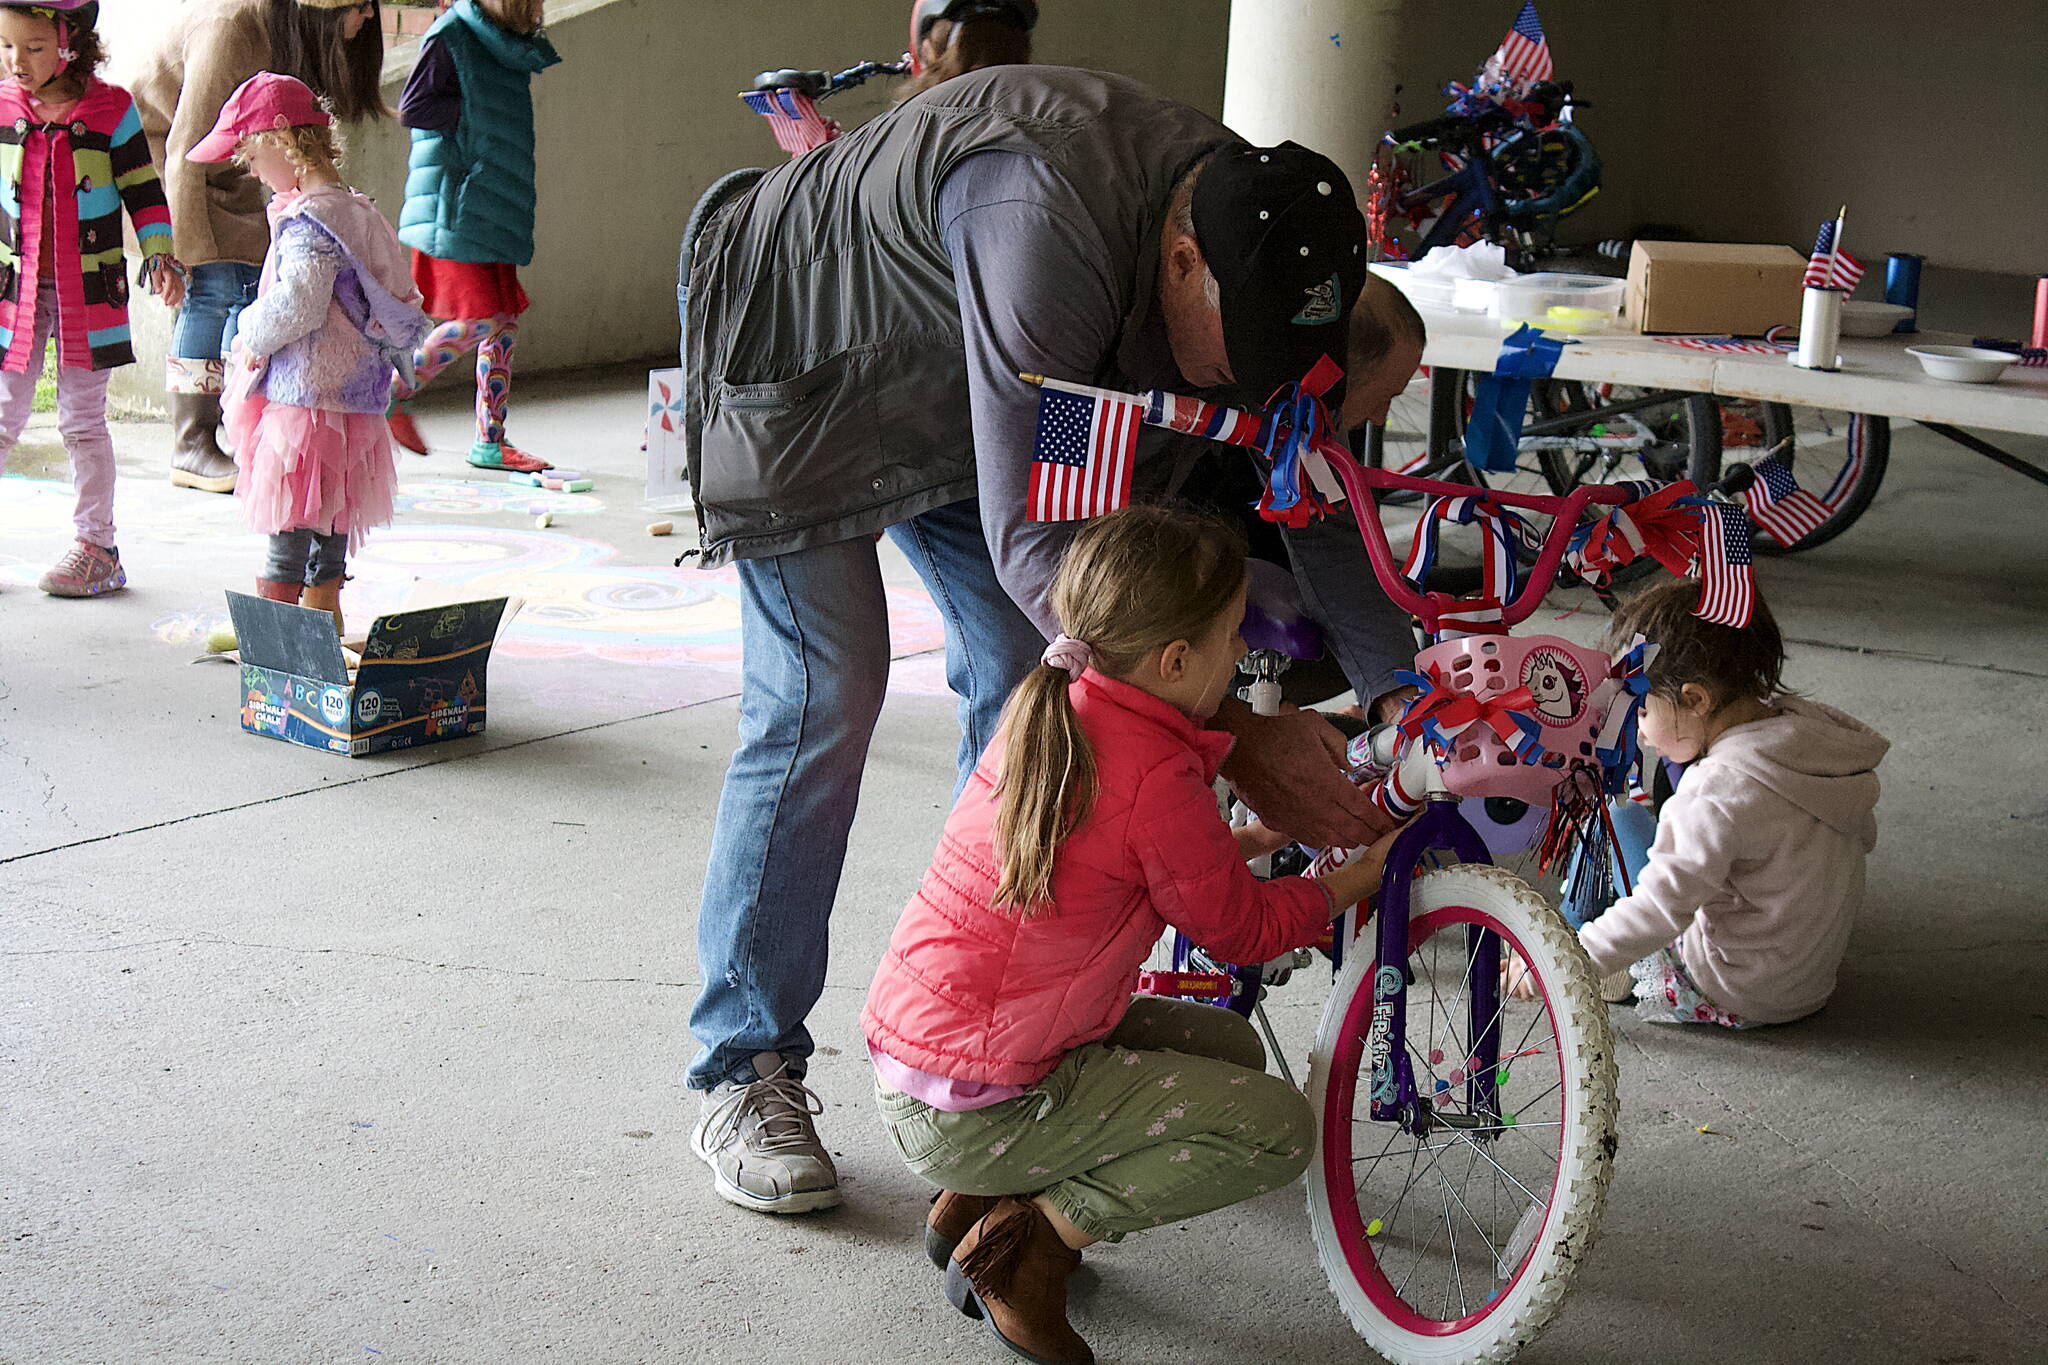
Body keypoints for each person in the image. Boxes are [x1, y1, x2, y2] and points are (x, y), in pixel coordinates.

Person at [680, 63, 1418, 1213]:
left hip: (965, 388)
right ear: (1179, 263)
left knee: (1037, 680)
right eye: (1238, 359)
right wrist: (1236, 732)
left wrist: (1397, 703)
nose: (1246, 390)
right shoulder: (1041, 214)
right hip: (804, 356)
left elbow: (1311, 494)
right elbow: (1044, 553)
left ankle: (1007, 1064)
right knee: (826, 695)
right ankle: (746, 1063)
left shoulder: (1263, 244)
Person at [859, 506, 1397, 1364]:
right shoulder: (1154, 767)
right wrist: (1351, 882)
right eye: (1231, 639)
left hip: (935, 1063)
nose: (1238, 658)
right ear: (1175, 661)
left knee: (1227, 1048)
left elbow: (1130, 858)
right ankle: (1028, 1246)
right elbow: (1243, 929)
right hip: (984, 1095)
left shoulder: (1064, 708)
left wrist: (1254, 841)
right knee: (1275, 1128)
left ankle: (978, 1192)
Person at [1518, 578, 1887, 1027]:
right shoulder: (1814, 739)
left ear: (1694, 699)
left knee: (1617, 816)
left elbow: (1660, 909)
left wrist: (1554, 964)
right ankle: (1607, 956)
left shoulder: (1715, 793)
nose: (1638, 730)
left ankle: (1567, 945)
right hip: (1806, 982)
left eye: (1641, 711)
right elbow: (1859, 838)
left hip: (1730, 987)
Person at [192, 72, 430, 630]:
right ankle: (324, 610)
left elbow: (299, 303)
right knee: (333, 508)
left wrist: (248, 332)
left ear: (282, 140)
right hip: (354, 393)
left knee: (290, 515)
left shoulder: (309, 222)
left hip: (308, 392)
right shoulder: (357, 209)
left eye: (249, 155)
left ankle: (277, 626)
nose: (248, 170)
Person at [129, 0, 386, 495]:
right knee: (212, 287)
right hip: (159, 161)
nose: (370, 17)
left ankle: (233, 422)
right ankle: (191, 442)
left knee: (254, 281)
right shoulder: (229, 30)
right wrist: (184, 257)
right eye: (359, 6)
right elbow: (183, 150)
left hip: (230, 167)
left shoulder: (284, 37)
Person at [0, 0, 182, 597]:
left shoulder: (111, 109)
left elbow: (143, 189)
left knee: (81, 421)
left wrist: (158, 253)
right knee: (3, 417)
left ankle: (96, 548)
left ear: (70, 42)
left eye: (32, 47)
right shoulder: (4, 106)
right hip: (14, 294)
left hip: (90, 294)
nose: (16, 61)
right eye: (6, 46)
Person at [383, 0, 559, 474]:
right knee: (481, 319)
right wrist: (471, 140)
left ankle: (490, 441)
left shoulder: (505, 44)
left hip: (491, 202)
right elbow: (415, 107)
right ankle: (393, 388)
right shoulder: (452, 35)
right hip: (458, 201)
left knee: (502, 323)